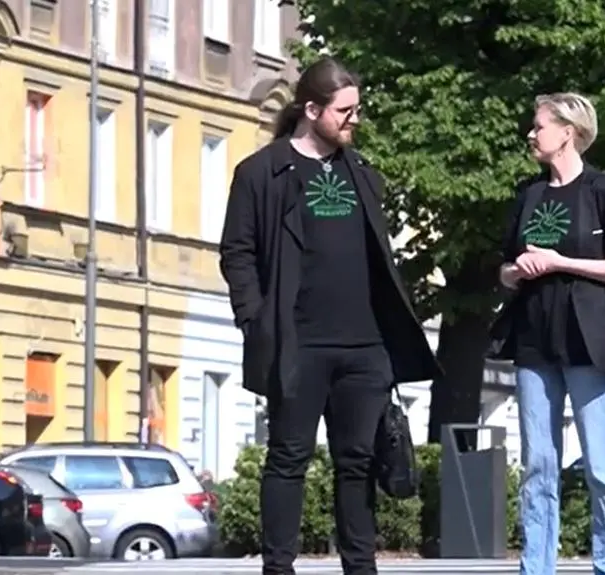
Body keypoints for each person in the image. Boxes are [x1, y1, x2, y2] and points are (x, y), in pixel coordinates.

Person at [218, 57, 440, 575]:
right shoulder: (261, 173)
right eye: (345, 111)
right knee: (288, 458)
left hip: (364, 346)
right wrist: (255, 319)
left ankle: (361, 568)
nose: (354, 119)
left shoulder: (362, 172)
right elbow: (237, 253)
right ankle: (278, 569)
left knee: (357, 463)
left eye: (357, 109)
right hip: (297, 343)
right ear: (312, 110)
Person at [494, 93, 605, 575]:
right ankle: (536, 567)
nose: (530, 134)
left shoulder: (604, 192)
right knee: (538, 466)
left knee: (601, 465)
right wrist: (518, 270)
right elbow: (504, 269)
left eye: (539, 126)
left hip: (589, 344)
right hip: (534, 341)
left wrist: (561, 262)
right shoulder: (529, 194)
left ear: (567, 132)